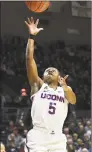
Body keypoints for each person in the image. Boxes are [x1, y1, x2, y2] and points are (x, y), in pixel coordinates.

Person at [24, 17, 76, 152]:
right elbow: (29, 59)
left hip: (57, 137)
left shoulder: (64, 90)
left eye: (53, 70)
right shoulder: (38, 86)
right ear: (43, 77)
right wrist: (31, 36)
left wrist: (65, 88)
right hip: (38, 136)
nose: (50, 70)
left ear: (59, 77)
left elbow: (73, 100)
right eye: (47, 70)